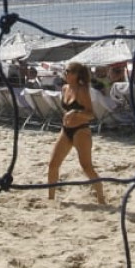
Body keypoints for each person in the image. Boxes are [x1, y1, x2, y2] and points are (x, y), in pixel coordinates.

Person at [46, 63, 107, 205]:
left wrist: (76, 112)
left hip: (81, 131)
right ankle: (50, 199)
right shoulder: (65, 88)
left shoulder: (82, 90)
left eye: (67, 71)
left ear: (76, 74)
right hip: (66, 130)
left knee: (86, 167)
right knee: (53, 164)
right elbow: (66, 109)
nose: (64, 73)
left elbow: (91, 115)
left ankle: (101, 198)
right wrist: (67, 115)